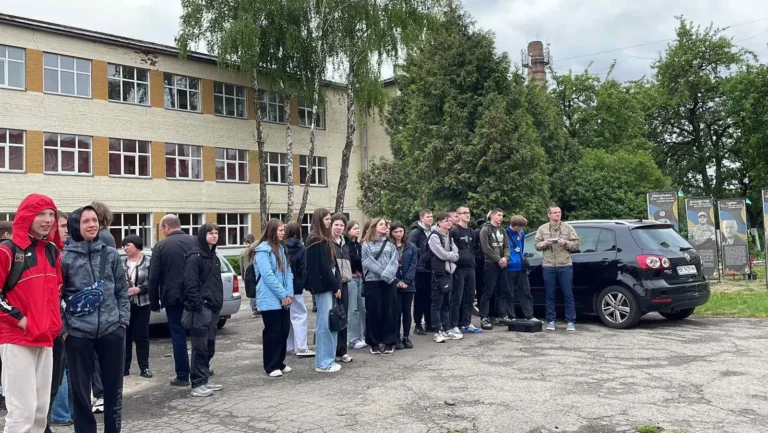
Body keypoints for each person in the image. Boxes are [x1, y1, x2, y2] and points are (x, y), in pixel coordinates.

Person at [62, 205, 129, 433]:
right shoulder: (64, 257)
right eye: (85, 221)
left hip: (112, 330)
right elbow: (55, 297)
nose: (92, 225)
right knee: (80, 391)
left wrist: (122, 322)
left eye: (94, 220)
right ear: (75, 225)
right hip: (77, 334)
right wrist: (64, 329)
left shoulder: (109, 254)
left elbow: (121, 290)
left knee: (113, 388)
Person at [0, 194, 63, 433]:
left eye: (51, 214)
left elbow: (56, 292)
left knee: (39, 413)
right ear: (27, 216)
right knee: (22, 413)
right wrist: (22, 321)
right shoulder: (7, 250)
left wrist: (53, 325)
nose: (48, 220)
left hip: (45, 337)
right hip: (17, 338)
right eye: (41, 214)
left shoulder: (52, 251)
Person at [148, 215, 197, 386]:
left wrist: (153, 302)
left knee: (178, 335)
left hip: (173, 297)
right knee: (199, 333)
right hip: (195, 296)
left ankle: (182, 375)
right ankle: (201, 370)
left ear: (167, 227)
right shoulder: (195, 241)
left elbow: (153, 276)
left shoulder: (161, 246)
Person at [182, 223, 225, 397]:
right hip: (201, 309)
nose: (214, 236)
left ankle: (205, 378)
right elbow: (190, 285)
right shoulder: (195, 257)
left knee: (209, 346)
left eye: (216, 233)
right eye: (210, 233)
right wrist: (199, 305)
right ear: (202, 235)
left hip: (213, 308)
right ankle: (197, 383)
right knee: (199, 347)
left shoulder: (214, 256)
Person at [254, 219, 294, 377]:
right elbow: (268, 276)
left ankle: (280, 362)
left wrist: (289, 293)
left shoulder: (281, 249)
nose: (283, 233)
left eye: (284, 230)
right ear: (272, 231)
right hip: (269, 298)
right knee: (273, 332)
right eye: (280, 230)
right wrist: (282, 294)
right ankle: (271, 365)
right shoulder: (262, 251)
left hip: (284, 298)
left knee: (284, 330)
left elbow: (288, 272)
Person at [305, 209, 342, 373]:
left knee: (330, 322)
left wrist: (337, 284)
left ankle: (329, 359)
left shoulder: (323, 238)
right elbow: (323, 267)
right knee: (325, 323)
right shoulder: (316, 239)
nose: (329, 222)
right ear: (319, 220)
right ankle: (323, 362)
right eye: (326, 219)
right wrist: (335, 286)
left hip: (329, 285)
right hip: (324, 286)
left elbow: (332, 265)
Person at [535, 205, 580, 332]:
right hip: (548, 266)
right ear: (549, 215)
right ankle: (551, 320)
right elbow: (537, 245)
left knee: (568, 294)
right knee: (549, 294)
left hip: (564, 265)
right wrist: (546, 243)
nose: (557, 214)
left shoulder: (568, 228)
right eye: (554, 212)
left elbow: (576, 245)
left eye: (559, 212)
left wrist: (565, 243)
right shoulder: (542, 228)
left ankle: (570, 321)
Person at [362, 217, 400, 354]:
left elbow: (394, 262)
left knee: (389, 311)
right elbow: (367, 262)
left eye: (385, 225)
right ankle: (374, 342)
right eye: (381, 224)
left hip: (389, 282)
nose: (384, 226)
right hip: (372, 282)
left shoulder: (391, 245)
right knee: (374, 311)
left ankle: (389, 341)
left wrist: (387, 275)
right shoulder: (366, 245)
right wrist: (384, 274)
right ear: (374, 227)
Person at [121, 235, 153, 378]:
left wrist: (140, 289)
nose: (125, 248)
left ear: (136, 245)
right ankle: (124, 367)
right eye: (124, 246)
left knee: (142, 335)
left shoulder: (148, 261)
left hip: (143, 303)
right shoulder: (122, 263)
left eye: (128, 245)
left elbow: (154, 282)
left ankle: (144, 367)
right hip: (126, 304)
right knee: (126, 336)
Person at [428, 212, 460, 343]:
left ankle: (447, 329)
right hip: (438, 274)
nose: (449, 222)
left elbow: (457, 254)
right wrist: (451, 255)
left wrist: (450, 255)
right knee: (437, 303)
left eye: (449, 220)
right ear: (440, 222)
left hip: (448, 273)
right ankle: (437, 331)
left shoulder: (449, 236)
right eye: (446, 220)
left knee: (447, 302)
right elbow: (441, 255)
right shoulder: (434, 236)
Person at [283, 221, 314, 358]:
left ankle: (289, 346)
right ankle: (301, 347)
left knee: (287, 317)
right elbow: (304, 269)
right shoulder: (301, 248)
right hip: (296, 287)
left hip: (283, 288)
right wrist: (303, 284)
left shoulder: (282, 247)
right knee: (300, 316)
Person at [450, 205, 481, 335]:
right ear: (458, 215)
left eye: (468, 212)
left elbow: (472, 248)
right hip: (459, 269)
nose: (467, 215)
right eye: (464, 213)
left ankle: (466, 323)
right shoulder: (454, 231)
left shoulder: (471, 231)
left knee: (469, 297)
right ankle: (454, 325)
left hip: (470, 268)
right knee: (457, 298)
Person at [479, 209, 511, 330]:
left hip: (502, 264)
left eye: (502, 215)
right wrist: (498, 259)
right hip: (490, 263)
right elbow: (486, 248)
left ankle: (503, 315)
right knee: (488, 291)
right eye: (499, 215)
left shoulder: (502, 230)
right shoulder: (485, 230)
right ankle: (484, 317)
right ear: (492, 216)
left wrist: (505, 258)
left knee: (503, 290)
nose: (501, 217)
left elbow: (507, 246)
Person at [390, 222, 417, 350]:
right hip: (394, 283)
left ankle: (406, 336)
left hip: (408, 284)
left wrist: (406, 281)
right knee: (396, 311)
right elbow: (388, 265)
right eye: (395, 232)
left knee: (406, 311)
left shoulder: (411, 246)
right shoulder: (389, 246)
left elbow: (413, 265)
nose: (398, 234)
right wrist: (397, 281)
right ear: (391, 233)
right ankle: (396, 337)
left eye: (400, 231)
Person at [506, 216, 538, 322]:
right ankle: (511, 316)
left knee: (526, 292)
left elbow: (522, 247)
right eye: (520, 228)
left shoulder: (522, 233)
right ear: (516, 226)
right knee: (509, 293)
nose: (522, 230)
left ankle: (529, 316)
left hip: (520, 267)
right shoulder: (505, 233)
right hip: (509, 267)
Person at [331, 214, 353, 364]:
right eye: (336, 225)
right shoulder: (328, 243)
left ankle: (342, 351)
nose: (339, 228)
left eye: (341, 225)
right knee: (332, 318)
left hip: (345, 283)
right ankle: (332, 351)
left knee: (343, 317)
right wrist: (335, 285)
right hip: (333, 285)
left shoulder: (345, 242)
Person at [408, 209, 433, 335]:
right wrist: (425, 251)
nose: (430, 218)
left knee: (430, 297)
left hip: (430, 268)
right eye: (428, 216)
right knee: (419, 298)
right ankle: (417, 324)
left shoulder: (432, 231)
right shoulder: (416, 233)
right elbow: (411, 249)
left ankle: (429, 323)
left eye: (431, 216)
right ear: (421, 218)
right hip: (419, 269)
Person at [345, 221, 366, 349]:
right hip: (351, 278)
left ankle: (362, 336)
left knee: (362, 308)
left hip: (360, 278)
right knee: (353, 309)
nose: (357, 230)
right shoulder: (346, 245)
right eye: (354, 228)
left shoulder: (359, 245)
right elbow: (353, 260)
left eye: (358, 228)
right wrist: (361, 260)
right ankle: (353, 338)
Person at [241, 239, 260, 318]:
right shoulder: (256, 250)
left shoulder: (243, 252)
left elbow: (241, 265)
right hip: (255, 273)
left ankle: (254, 309)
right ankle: (256, 309)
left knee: (251, 291)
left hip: (247, 274)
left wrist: (243, 276)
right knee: (256, 291)